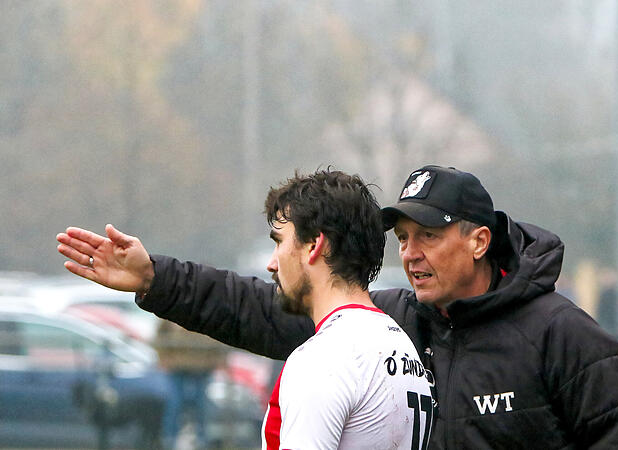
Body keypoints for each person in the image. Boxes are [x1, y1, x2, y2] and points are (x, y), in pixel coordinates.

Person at [57, 164, 618, 448]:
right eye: (402, 240)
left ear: (479, 240)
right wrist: (155, 279)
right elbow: (258, 309)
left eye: (429, 236)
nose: (412, 254)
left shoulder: (564, 336)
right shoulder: (391, 324)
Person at [59, 170, 433, 449]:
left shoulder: (325, 358)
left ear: (314, 246)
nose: (272, 263)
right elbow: (242, 304)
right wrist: (153, 279)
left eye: (279, 242)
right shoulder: (401, 345)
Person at [152, 319, 228, 449]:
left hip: (202, 365)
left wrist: (217, 359)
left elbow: (221, 334)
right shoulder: (172, 305)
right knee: (175, 403)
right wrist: (164, 358)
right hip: (178, 365)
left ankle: (201, 439)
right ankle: (170, 439)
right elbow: (160, 335)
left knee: (201, 404)